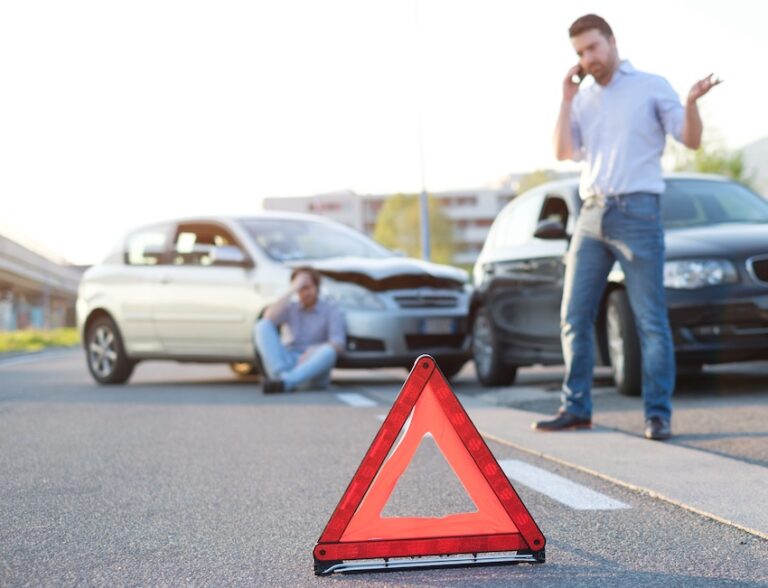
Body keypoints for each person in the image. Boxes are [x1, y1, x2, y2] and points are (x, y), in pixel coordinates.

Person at [533, 14, 721, 440]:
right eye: (580, 53)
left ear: (612, 41)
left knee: (649, 319)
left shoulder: (651, 86)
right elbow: (565, 151)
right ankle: (576, 408)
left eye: (593, 48)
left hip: (639, 213)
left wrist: (690, 104)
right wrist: (565, 99)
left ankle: (658, 414)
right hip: (591, 214)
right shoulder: (582, 100)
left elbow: (689, 139)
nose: (588, 58)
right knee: (574, 316)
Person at [254, 266, 346, 393]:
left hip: (312, 368)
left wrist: (315, 349)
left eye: (307, 287)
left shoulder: (331, 310)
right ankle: (284, 380)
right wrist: (292, 289)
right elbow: (268, 317)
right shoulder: (290, 307)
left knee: (329, 351)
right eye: (301, 288)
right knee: (262, 325)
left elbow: (339, 343)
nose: (305, 292)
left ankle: (285, 381)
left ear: (316, 287)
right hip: (287, 363)